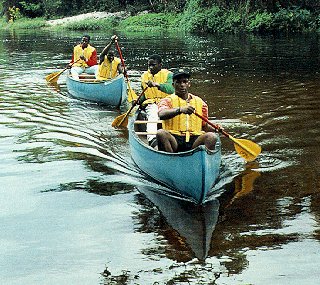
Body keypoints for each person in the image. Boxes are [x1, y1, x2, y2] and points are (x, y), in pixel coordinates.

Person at [156, 68, 220, 153]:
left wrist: (216, 128)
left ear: (189, 84)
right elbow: (161, 114)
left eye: (185, 82)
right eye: (178, 82)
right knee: (160, 133)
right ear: (173, 85)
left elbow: (204, 126)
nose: (182, 85)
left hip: (194, 140)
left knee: (212, 137)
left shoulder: (201, 103)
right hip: (174, 139)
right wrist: (180, 110)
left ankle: (204, 161)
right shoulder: (167, 101)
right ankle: (171, 161)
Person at [139, 54, 174, 147]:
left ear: (160, 65)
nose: (150, 67)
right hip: (151, 103)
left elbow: (171, 89)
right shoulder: (144, 76)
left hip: (166, 102)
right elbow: (144, 95)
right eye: (149, 65)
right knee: (153, 113)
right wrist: (138, 102)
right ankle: (152, 140)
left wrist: (156, 85)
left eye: (153, 65)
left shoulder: (169, 75)